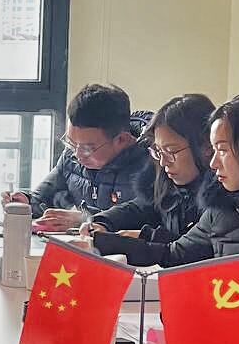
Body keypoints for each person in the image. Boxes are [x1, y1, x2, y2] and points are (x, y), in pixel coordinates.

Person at [108, 91, 239, 267]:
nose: (213, 163)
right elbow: (174, 254)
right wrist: (101, 242)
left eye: (222, 150)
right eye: (214, 150)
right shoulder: (221, 207)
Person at [85, 93, 223, 252]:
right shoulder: (166, 182)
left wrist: (147, 237)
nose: (163, 162)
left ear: (206, 147)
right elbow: (141, 208)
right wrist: (102, 222)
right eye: (158, 151)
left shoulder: (221, 196)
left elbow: (197, 249)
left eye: (171, 151)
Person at [15, 83, 157, 231]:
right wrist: (26, 201)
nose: (77, 155)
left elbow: (150, 221)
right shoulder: (71, 156)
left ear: (121, 139)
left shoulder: (154, 165)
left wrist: (87, 219)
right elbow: (44, 197)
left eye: (87, 148)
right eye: (71, 143)